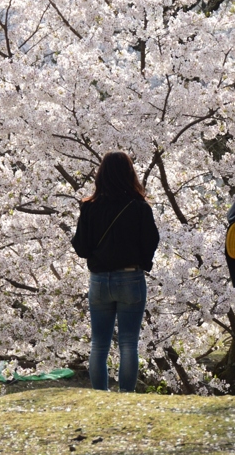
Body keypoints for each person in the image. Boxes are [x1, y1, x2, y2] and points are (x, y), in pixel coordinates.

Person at [71, 151, 160, 392]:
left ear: (101, 175)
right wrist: (141, 262)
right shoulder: (140, 207)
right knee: (129, 343)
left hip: (99, 281)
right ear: (130, 174)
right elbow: (151, 241)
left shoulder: (89, 207)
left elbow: (80, 246)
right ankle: (127, 397)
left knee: (99, 344)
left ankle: (100, 396)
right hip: (131, 277)